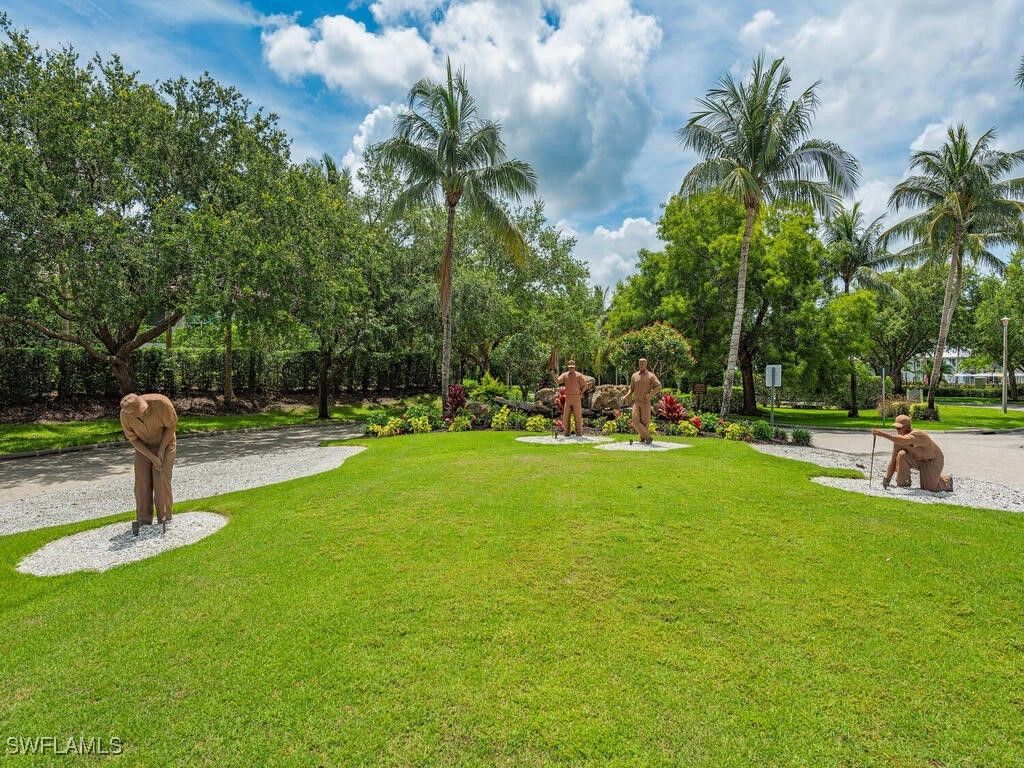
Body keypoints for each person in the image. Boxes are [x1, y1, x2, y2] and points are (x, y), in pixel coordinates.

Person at [120, 393, 178, 534]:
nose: (145, 411)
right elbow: (134, 440)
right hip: (143, 448)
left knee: (161, 478)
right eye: (141, 411)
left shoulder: (162, 403)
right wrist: (151, 456)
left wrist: (161, 451)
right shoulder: (125, 416)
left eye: (144, 408)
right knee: (141, 482)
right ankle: (144, 520)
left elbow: (171, 426)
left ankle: (164, 517)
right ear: (131, 414)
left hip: (166, 443)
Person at [873, 414, 953, 492]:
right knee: (902, 455)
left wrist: (883, 434)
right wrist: (887, 479)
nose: (897, 430)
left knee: (930, 488)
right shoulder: (898, 442)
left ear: (907, 427)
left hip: (932, 460)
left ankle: (947, 481)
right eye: (896, 428)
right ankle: (904, 483)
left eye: (899, 428)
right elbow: (893, 461)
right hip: (917, 459)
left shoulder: (918, 434)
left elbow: (905, 440)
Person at [622, 358, 662, 444]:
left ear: (646, 364)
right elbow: (631, 389)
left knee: (644, 422)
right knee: (635, 421)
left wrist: (650, 395)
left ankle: (643, 439)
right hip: (636, 402)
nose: (641, 365)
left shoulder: (651, 376)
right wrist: (626, 396)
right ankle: (648, 437)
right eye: (640, 363)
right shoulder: (634, 376)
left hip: (645, 402)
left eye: (643, 363)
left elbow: (659, 387)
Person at [556, 360, 589, 437]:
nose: (571, 368)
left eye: (572, 367)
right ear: (568, 367)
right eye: (570, 367)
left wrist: (581, 393)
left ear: (574, 367)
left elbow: (585, 386)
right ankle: (566, 433)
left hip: (576, 397)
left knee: (578, 416)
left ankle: (579, 433)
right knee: (566, 416)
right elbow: (557, 381)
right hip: (568, 398)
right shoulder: (565, 375)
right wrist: (553, 374)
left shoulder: (579, 375)